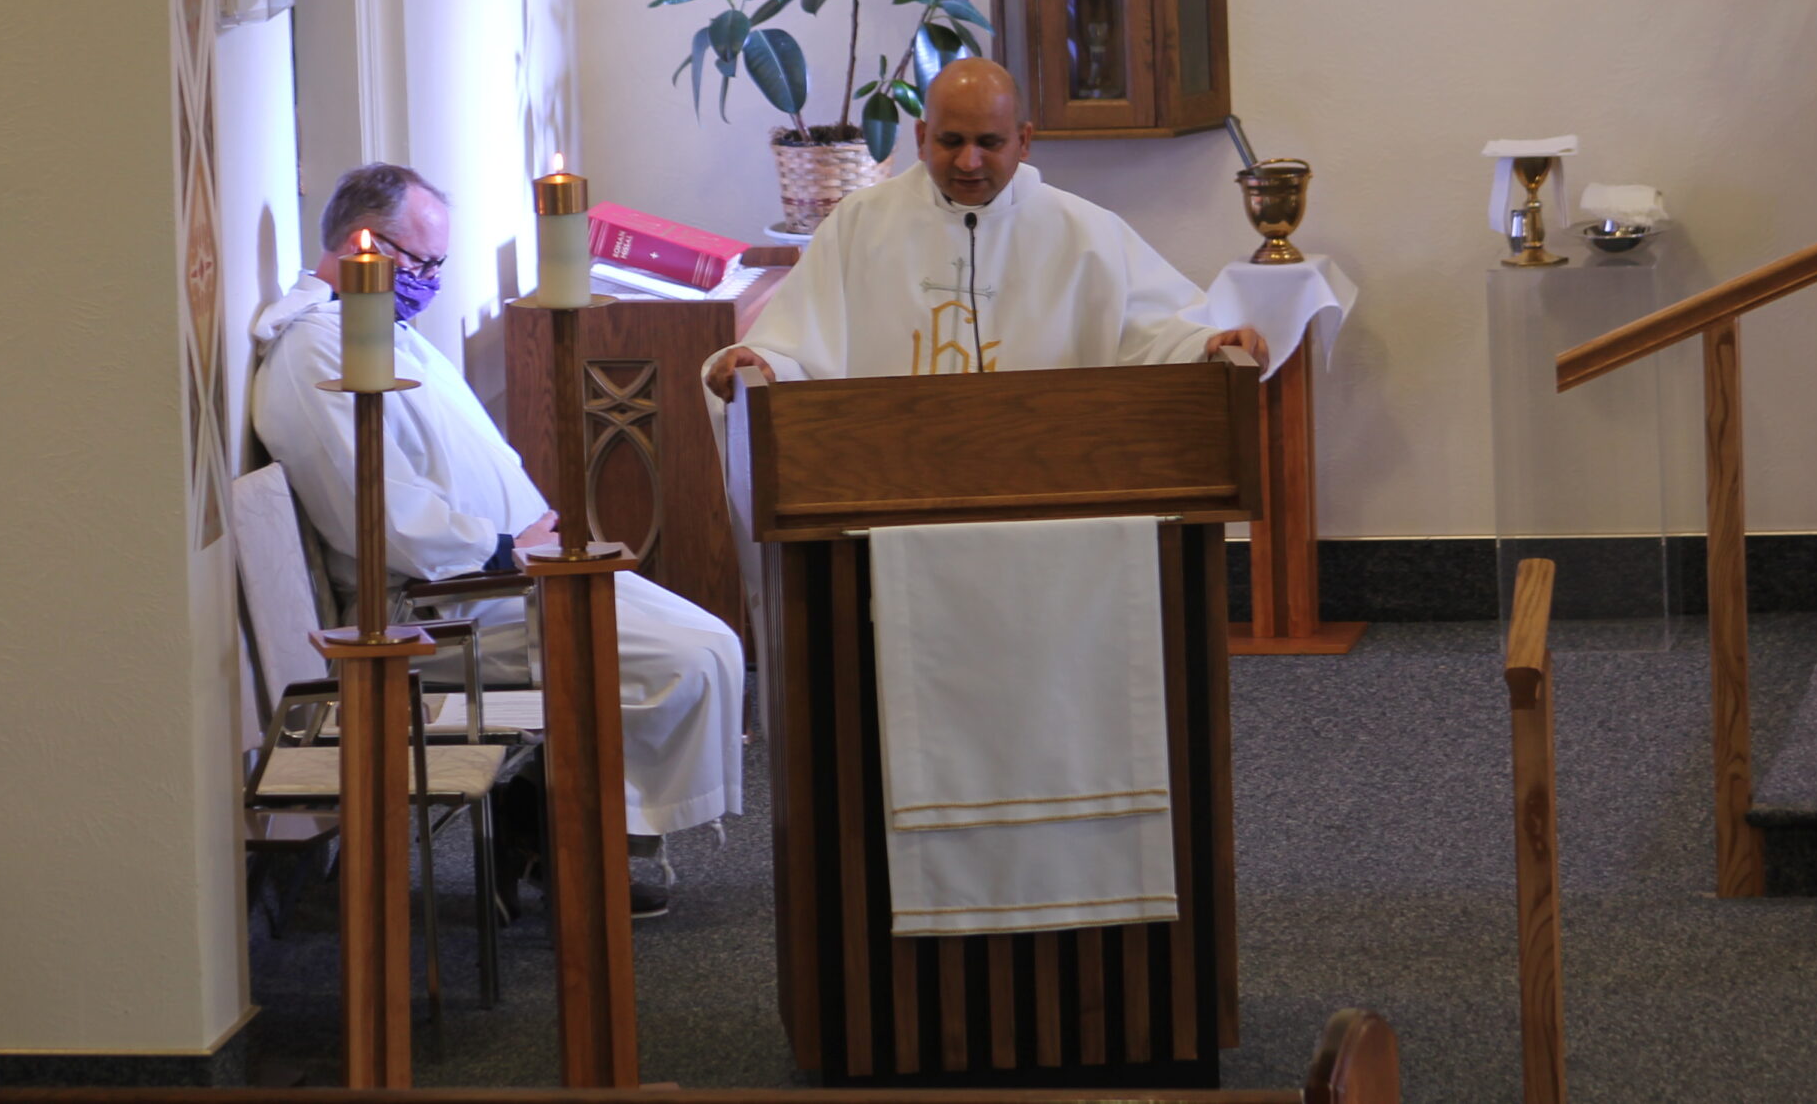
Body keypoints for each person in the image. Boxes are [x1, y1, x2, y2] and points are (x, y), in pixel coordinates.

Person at [254, 163, 744, 903]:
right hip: (442, 604)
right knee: (689, 656)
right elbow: (379, 510)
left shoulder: (389, 331)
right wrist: (502, 549)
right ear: (367, 244)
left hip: (512, 576)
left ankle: (564, 829)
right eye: (420, 262)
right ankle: (574, 845)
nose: (430, 281)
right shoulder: (317, 349)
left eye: (438, 265)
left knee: (712, 640)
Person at [706, 58, 1260, 399]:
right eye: (951, 141)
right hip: (891, 481)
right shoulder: (860, 224)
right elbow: (796, 348)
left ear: (1024, 140)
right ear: (922, 137)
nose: (969, 162)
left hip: (1053, 480)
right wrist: (765, 364)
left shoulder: (1084, 232)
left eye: (990, 143)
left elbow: (1159, 332)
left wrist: (1207, 344)